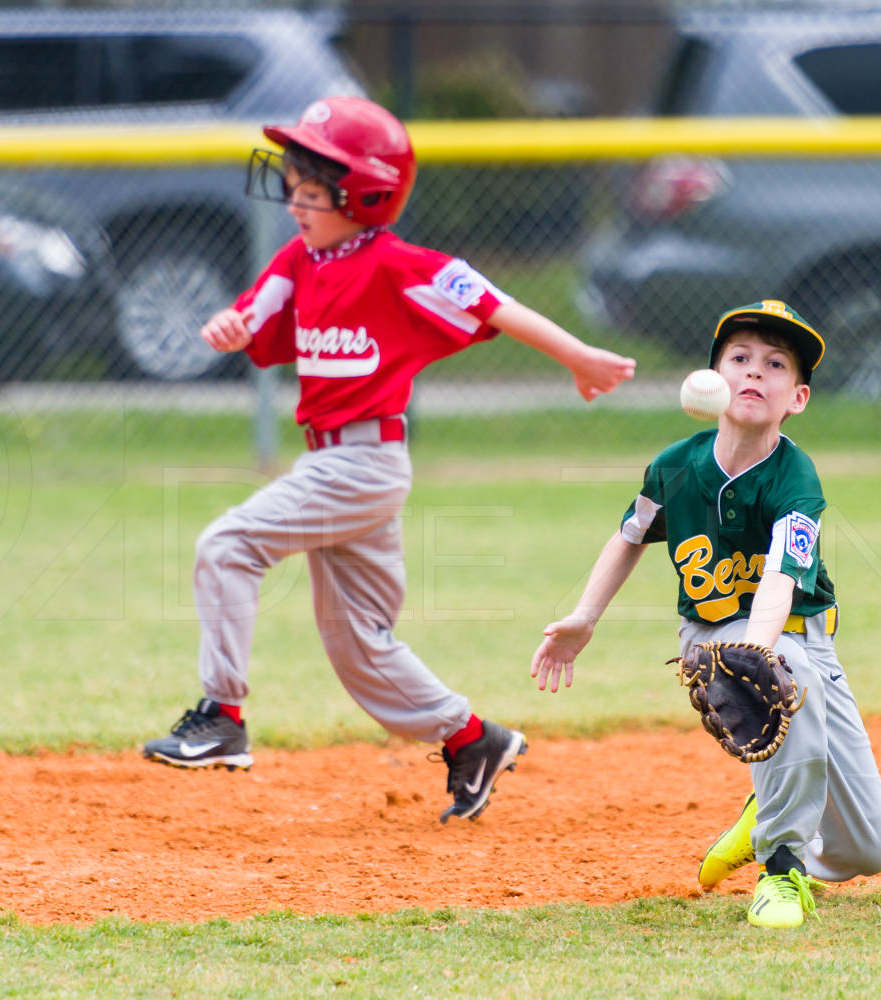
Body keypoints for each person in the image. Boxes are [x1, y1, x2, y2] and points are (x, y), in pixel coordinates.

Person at [141, 96, 636, 824]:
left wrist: (578, 355)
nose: (295, 203)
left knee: (226, 545)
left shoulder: (398, 264)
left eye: (313, 191)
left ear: (365, 195)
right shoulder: (299, 259)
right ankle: (472, 739)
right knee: (360, 646)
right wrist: (230, 326)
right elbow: (255, 314)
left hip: (361, 465)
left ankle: (222, 716)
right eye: (293, 186)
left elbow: (493, 304)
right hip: (337, 468)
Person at [530, 300, 881, 927]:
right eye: (740, 357)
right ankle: (780, 871)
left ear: (798, 398)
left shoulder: (794, 477)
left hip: (797, 632)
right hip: (710, 631)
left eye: (776, 364)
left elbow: (782, 576)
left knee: (870, 849)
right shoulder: (676, 467)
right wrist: (584, 617)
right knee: (789, 670)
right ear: (714, 379)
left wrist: (759, 651)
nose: (755, 370)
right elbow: (630, 536)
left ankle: (765, 816)